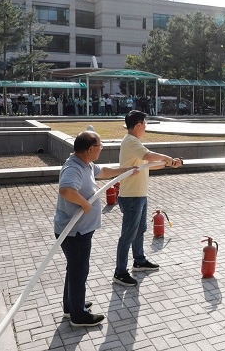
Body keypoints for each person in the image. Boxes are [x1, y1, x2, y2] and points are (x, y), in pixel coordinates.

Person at [54, 131, 137, 327]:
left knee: (74, 269)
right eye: (100, 146)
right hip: (74, 232)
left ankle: (71, 306)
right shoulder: (73, 168)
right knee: (79, 270)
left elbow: (104, 172)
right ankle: (78, 316)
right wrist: (84, 204)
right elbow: (66, 190)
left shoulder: (86, 164)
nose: (102, 149)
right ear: (90, 149)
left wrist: (126, 170)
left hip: (80, 230)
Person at [113, 110, 183, 286]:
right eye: (145, 124)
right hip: (131, 197)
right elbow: (149, 156)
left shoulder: (135, 143)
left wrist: (168, 164)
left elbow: (148, 165)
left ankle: (139, 260)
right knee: (127, 235)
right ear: (138, 125)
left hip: (139, 195)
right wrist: (167, 158)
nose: (145, 127)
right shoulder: (130, 142)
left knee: (139, 230)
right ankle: (120, 272)